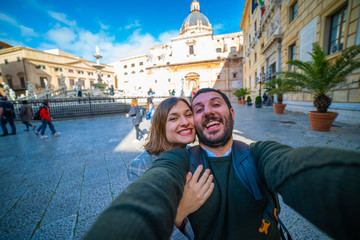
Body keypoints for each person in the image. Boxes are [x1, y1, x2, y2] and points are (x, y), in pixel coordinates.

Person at [85, 88, 360, 240]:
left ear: (231, 114)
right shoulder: (174, 159)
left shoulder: (258, 152)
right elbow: (151, 191)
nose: (189, 120)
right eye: (199, 109)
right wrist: (177, 212)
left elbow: (289, 165)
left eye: (215, 104)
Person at [127, 97, 214, 239]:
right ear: (160, 126)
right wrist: (180, 212)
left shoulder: (197, 154)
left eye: (188, 115)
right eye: (173, 118)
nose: (185, 122)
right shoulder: (142, 166)